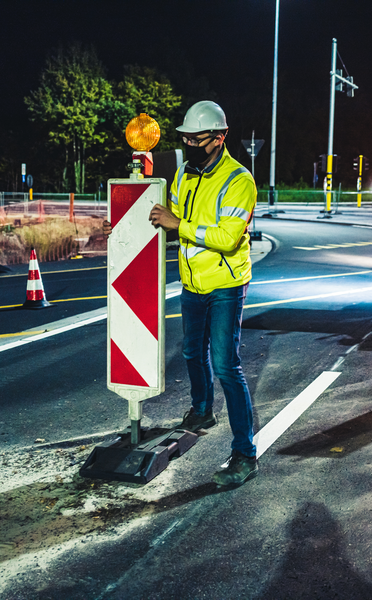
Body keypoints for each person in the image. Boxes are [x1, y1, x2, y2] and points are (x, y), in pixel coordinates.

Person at [103, 100, 258, 486]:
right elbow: (164, 214)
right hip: (192, 283)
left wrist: (178, 223)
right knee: (191, 352)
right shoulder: (187, 174)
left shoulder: (239, 180)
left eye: (196, 138)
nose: (189, 144)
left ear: (219, 138)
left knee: (226, 365)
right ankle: (202, 409)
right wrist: (126, 224)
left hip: (224, 284)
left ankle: (245, 454)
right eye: (185, 138)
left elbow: (226, 237)